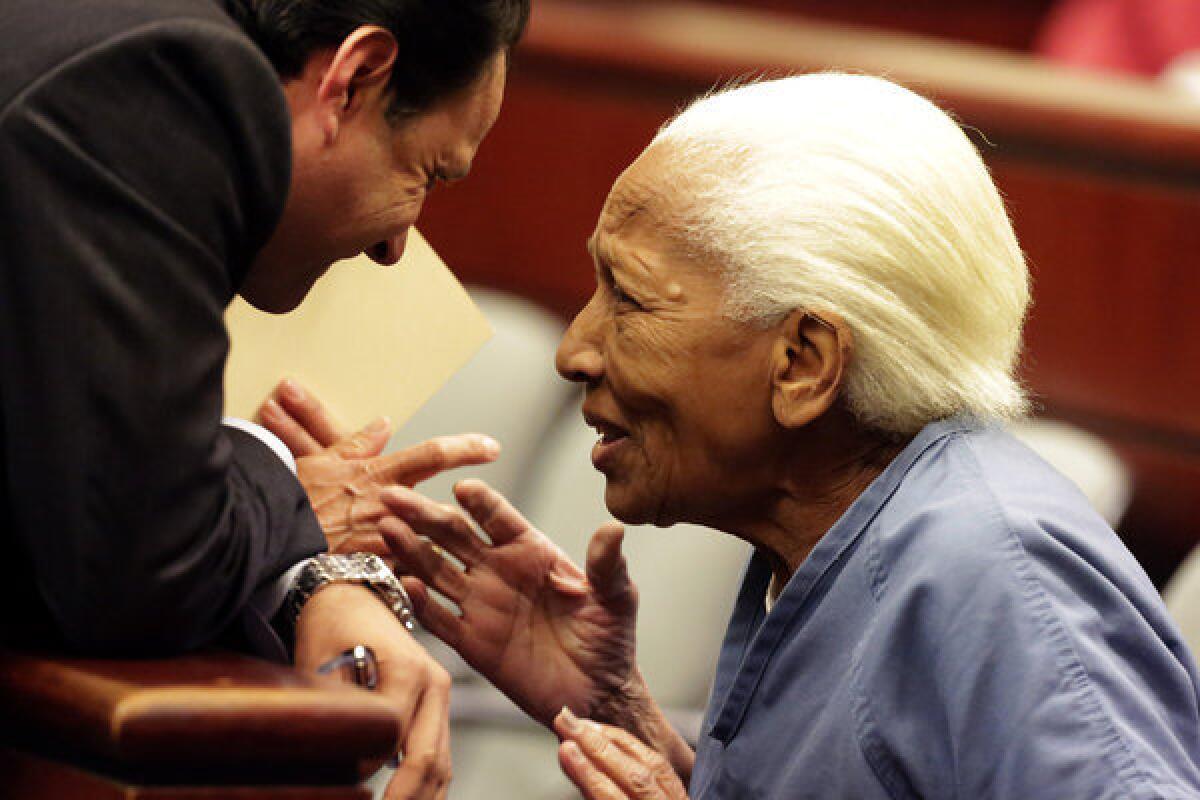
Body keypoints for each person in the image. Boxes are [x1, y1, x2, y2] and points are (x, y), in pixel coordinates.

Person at [272, 73, 1200, 797]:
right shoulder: (842, 534)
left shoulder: (993, 576)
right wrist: (616, 713)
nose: (575, 350)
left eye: (628, 300)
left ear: (803, 362)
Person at [1, 0, 527, 796]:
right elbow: (137, 569)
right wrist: (287, 484)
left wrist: (311, 574)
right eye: (426, 173)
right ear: (353, 80)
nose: (396, 247)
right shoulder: (176, 81)